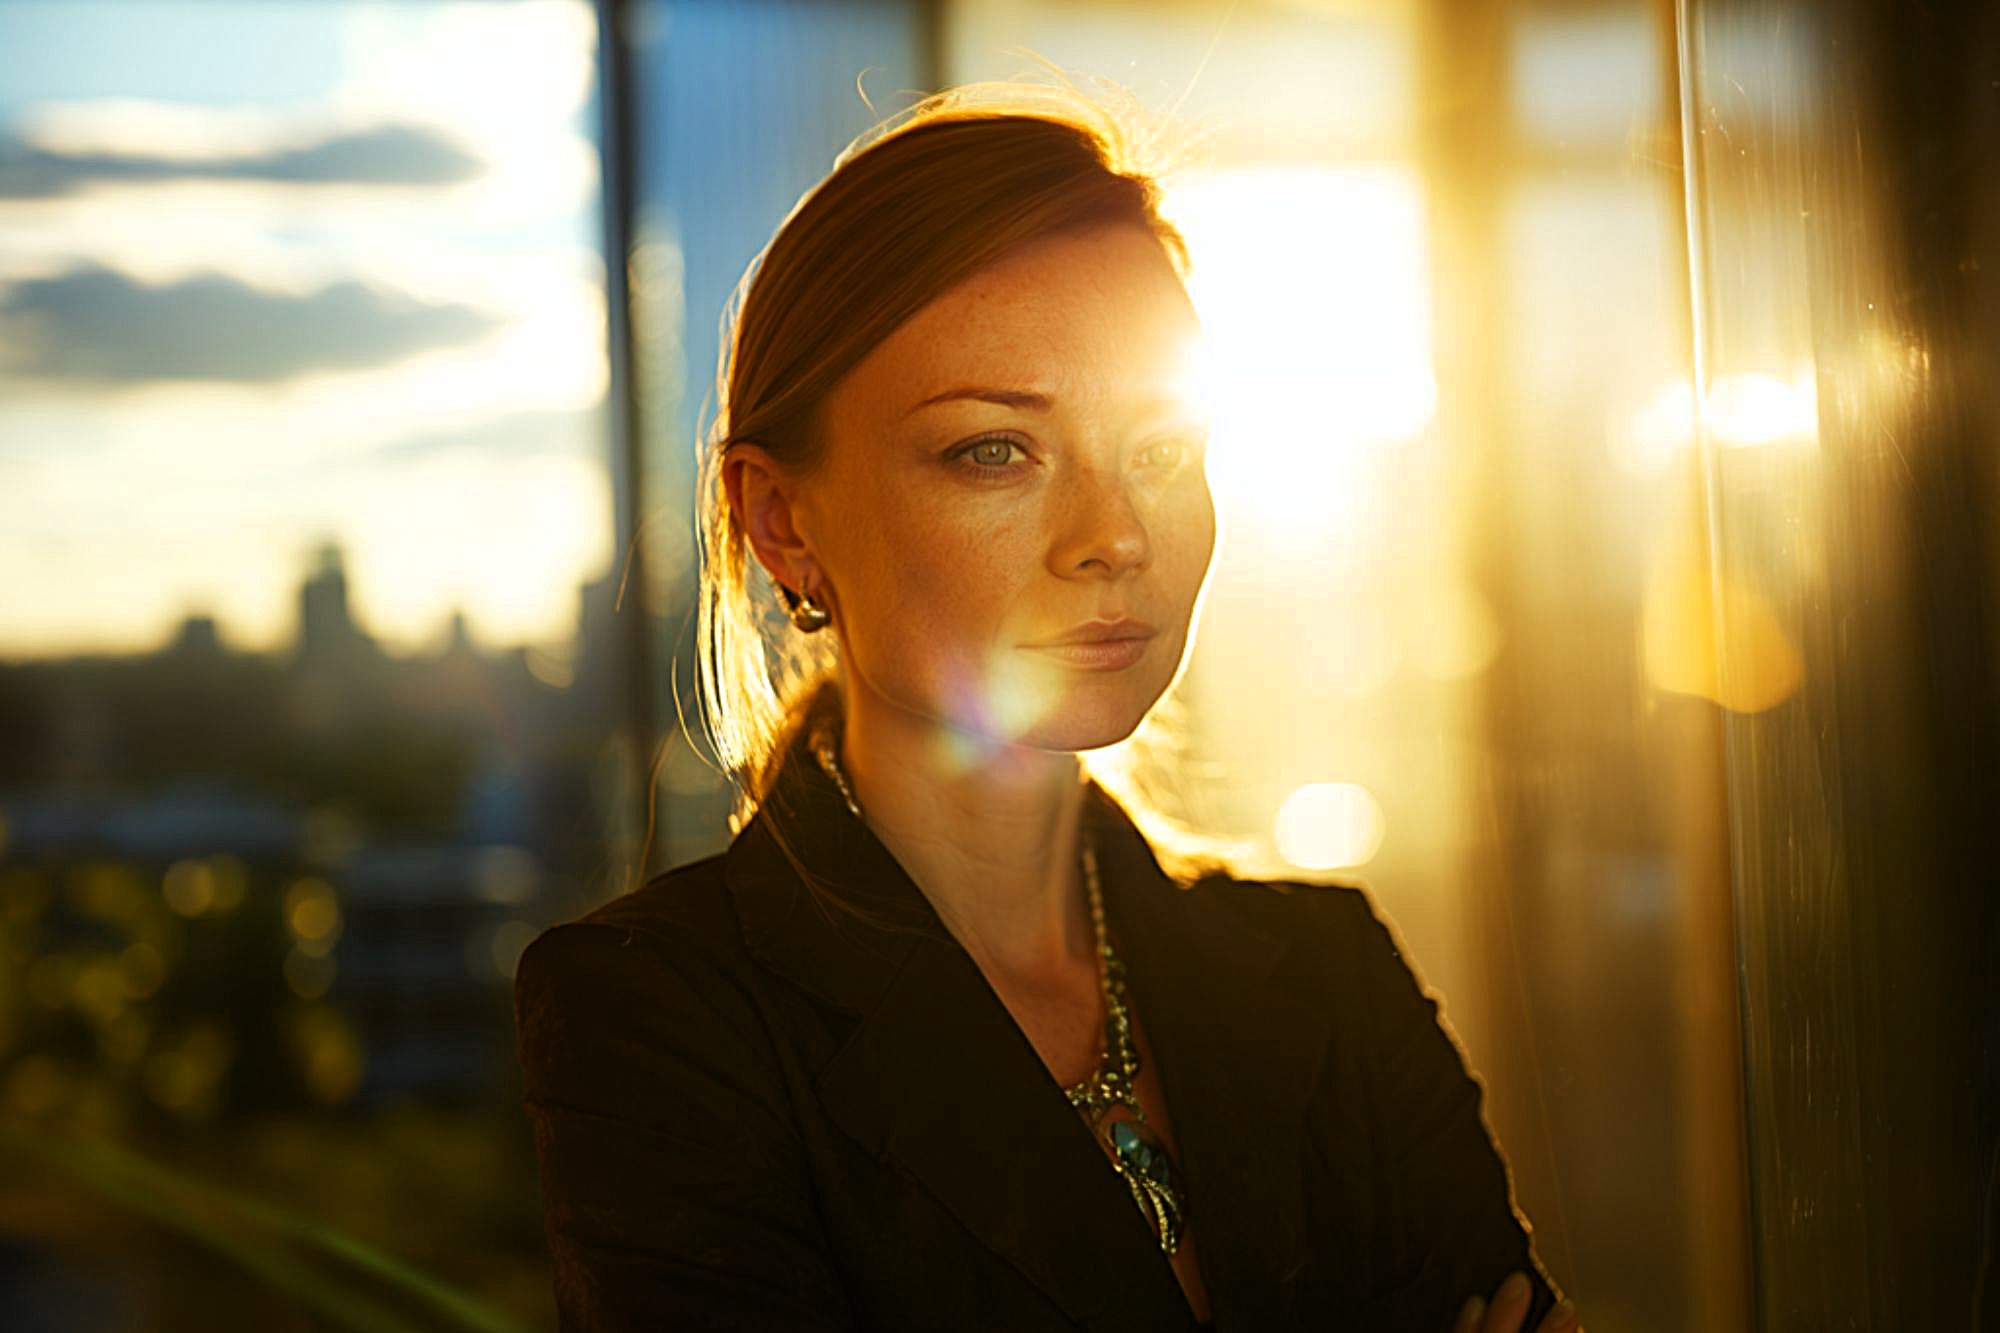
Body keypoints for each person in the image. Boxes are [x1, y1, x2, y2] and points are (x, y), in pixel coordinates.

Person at [514, 81, 1579, 1333]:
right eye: (992, 450)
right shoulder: (658, 1021)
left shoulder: (1329, 973)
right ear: (782, 522)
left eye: (1163, 449)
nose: (1114, 535)